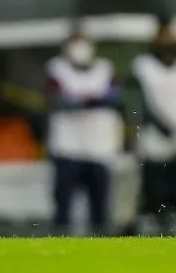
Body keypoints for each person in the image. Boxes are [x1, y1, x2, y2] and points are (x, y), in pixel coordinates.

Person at [131, 16, 176, 236]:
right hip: (155, 141)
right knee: (154, 191)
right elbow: (142, 104)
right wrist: (166, 129)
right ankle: (153, 230)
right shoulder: (143, 66)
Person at [45, 30, 123, 236]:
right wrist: (93, 101)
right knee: (63, 212)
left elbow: (114, 97)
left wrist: (84, 101)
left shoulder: (105, 69)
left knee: (100, 214)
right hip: (67, 149)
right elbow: (60, 101)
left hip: (99, 150)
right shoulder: (57, 69)